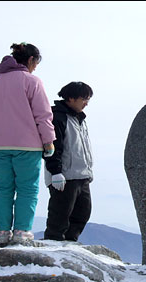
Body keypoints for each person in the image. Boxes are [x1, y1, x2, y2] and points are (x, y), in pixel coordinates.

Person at [0, 42, 56, 243]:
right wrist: (48, 140)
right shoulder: (32, 81)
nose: (35, 67)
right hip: (27, 145)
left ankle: (2, 232)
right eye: (35, 63)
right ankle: (21, 232)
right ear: (30, 60)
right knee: (27, 188)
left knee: (2, 188)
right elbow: (43, 115)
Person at [43, 81, 94, 241]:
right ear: (71, 98)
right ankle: (53, 245)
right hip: (64, 176)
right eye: (84, 99)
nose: (86, 103)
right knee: (60, 215)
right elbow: (52, 148)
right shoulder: (57, 117)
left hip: (82, 175)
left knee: (83, 213)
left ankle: (70, 243)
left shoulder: (80, 119)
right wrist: (56, 172)